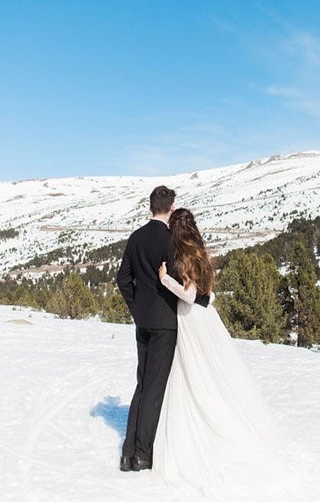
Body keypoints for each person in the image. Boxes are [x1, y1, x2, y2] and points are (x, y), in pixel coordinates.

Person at [153, 207, 281, 485]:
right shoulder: (202, 252)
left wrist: (164, 279)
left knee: (193, 372)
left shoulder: (182, 255)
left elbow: (187, 296)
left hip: (190, 319)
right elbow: (207, 293)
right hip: (208, 317)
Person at [116, 187, 209, 472]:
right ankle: (142, 455)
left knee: (142, 383)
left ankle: (127, 453)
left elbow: (123, 279)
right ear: (171, 208)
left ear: (150, 207)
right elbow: (183, 283)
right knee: (155, 388)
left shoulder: (135, 238)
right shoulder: (171, 241)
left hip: (142, 322)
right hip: (165, 323)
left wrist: (137, 309)